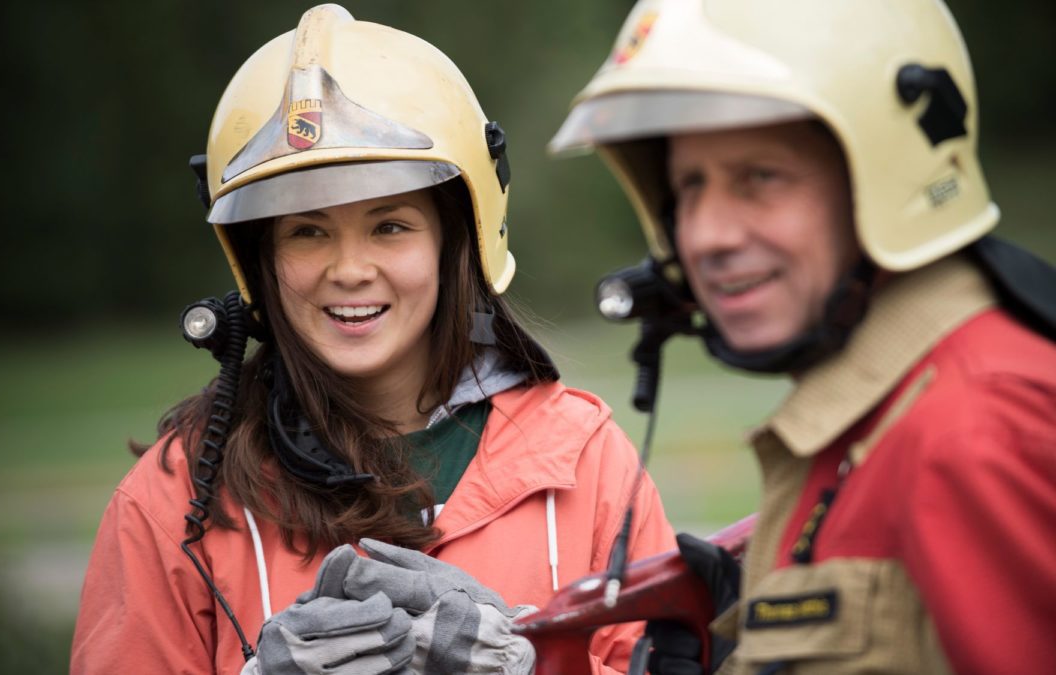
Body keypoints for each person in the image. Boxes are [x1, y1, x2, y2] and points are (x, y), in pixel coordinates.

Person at [70, 5, 676, 674]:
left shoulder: (585, 461)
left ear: (457, 239)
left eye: (389, 225)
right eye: (307, 229)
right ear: (259, 258)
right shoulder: (174, 497)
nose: (350, 267)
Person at [550, 0, 1056, 673]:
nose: (707, 234)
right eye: (690, 185)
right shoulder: (869, 417)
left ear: (886, 175)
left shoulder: (977, 423)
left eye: (760, 177)